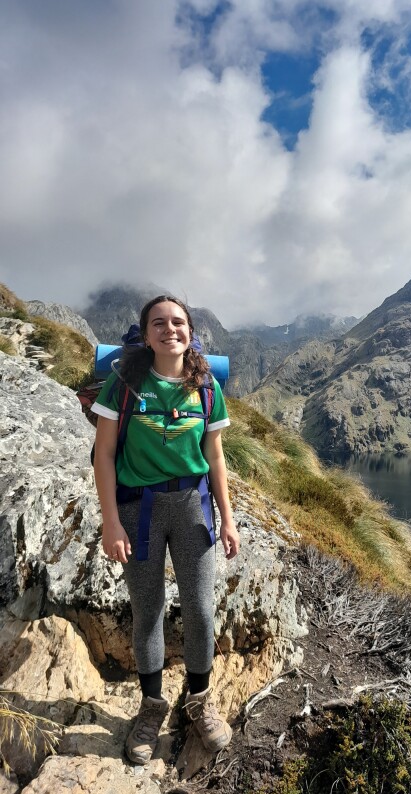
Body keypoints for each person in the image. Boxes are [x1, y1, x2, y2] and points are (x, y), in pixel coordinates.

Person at [92, 294, 240, 765]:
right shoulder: (125, 383)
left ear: (190, 331)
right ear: (146, 331)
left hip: (193, 507)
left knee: (199, 607)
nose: (169, 329)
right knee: (149, 609)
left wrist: (229, 518)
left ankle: (198, 701)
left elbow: (216, 457)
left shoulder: (207, 387)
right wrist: (111, 521)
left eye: (178, 322)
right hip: (140, 510)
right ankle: (151, 706)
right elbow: (103, 455)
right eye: (159, 323)